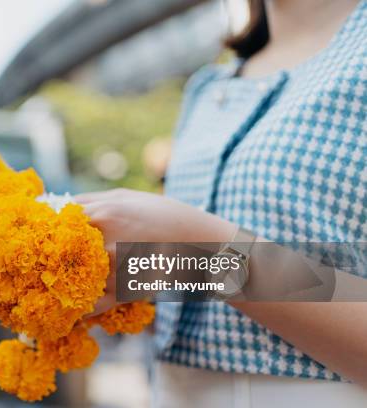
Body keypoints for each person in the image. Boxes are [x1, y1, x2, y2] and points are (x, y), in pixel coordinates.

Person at [76, 1, 366, 407]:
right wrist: (117, 278)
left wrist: (200, 245)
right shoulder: (208, 88)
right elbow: (205, 284)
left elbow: (218, 265)